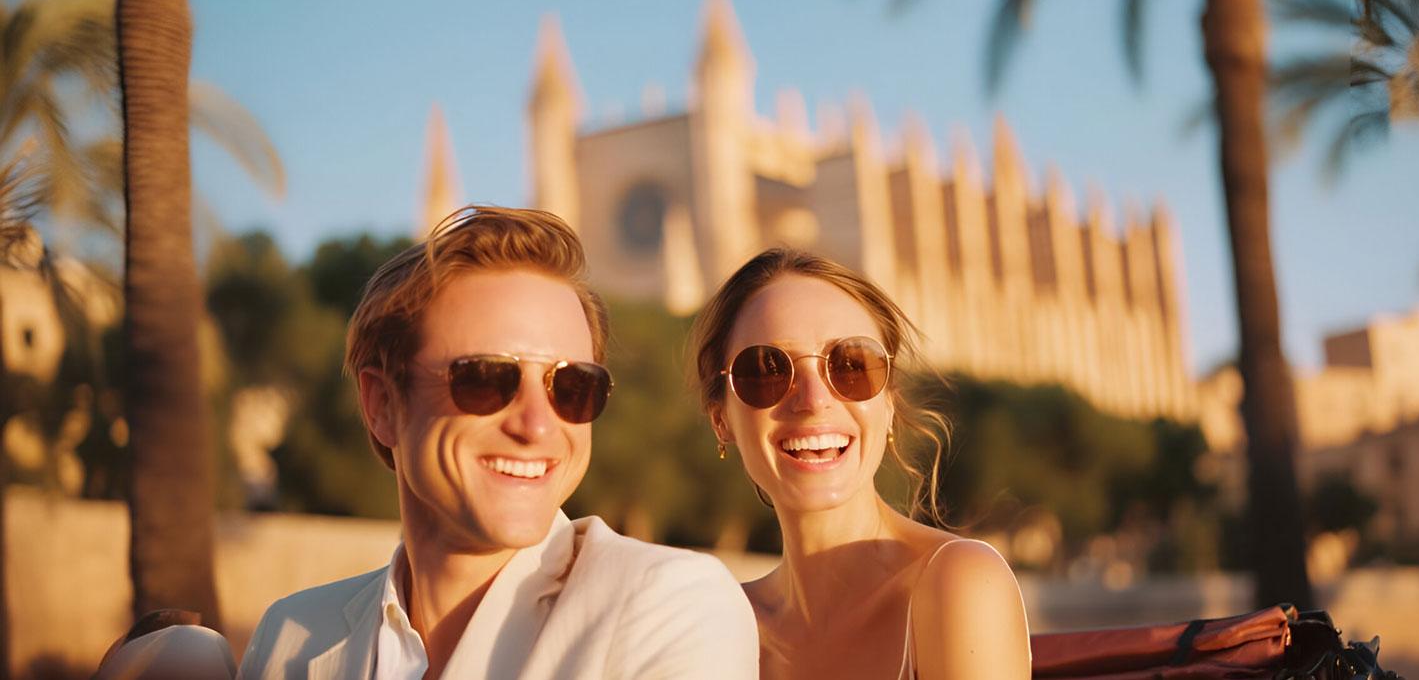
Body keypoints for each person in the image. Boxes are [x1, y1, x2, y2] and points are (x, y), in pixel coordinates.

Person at [239, 206, 758, 680]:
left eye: (573, 387)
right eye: (486, 378)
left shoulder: (670, 605)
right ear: (382, 405)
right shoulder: (290, 639)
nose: (536, 425)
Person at [690, 248, 1031, 680]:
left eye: (852, 365)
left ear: (888, 404)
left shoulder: (958, 583)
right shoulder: (715, 627)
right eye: (766, 370)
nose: (814, 401)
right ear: (722, 420)